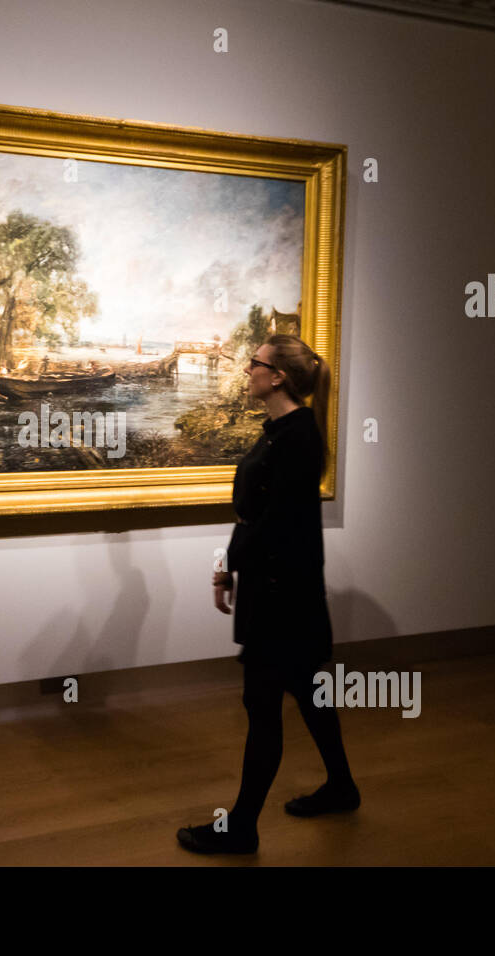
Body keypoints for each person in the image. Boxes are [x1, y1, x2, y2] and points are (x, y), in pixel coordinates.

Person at [177, 334, 359, 855]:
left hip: (282, 595)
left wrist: (230, 564)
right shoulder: (281, 430)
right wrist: (229, 567)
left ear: (277, 376)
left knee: (262, 703)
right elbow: (255, 514)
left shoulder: (297, 436)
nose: (246, 369)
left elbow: (275, 521)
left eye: (253, 363)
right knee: (307, 691)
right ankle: (342, 787)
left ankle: (241, 826)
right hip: (276, 585)